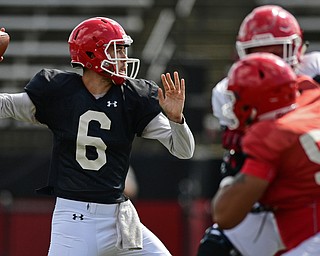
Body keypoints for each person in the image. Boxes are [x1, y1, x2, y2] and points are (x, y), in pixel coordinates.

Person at [0, 17, 195, 255]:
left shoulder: (133, 97)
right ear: (92, 54)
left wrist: (177, 120)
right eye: (117, 50)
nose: (123, 59)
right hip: (74, 219)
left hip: (120, 218)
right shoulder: (58, 91)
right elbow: (6, 105)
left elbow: (184, 151)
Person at [198, 5, 319, 256]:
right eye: (257, 52)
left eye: (276, 51)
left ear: (296, 47)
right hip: (277, 187)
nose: (268, 61)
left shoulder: (313, 74)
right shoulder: (230, 91)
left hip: (307, 191)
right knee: (216, 246)